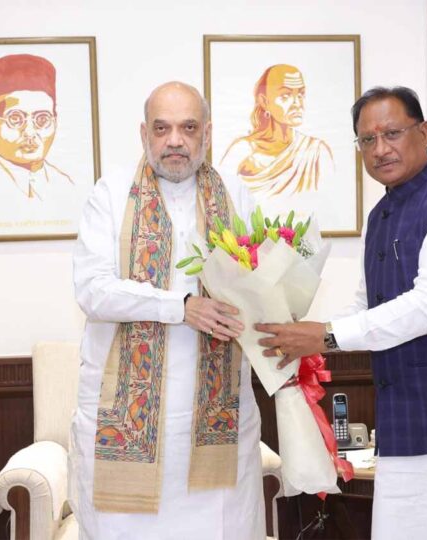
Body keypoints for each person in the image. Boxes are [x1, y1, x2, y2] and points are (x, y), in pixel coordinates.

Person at [255, 86, 427, 539]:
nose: (380, 149)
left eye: (392, 133)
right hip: (403, 430)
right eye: (367, 139)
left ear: (424, 133)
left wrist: (325, 335)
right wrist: (293, 338)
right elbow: (366, 304)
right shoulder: (380, 216)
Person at [70, 81, 265, 540]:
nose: (175, 140)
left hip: (217, 426)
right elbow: (92, 290)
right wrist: (181, 306)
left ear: (207, 133)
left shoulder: (235, 193)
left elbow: (258, 282)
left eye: (188, 128)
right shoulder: (111, 193)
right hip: (125, 426)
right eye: (162, 129)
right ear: (144, 134)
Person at [0, 54, 75, 236]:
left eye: (42, 119)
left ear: (55, 124)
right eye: (16, 119)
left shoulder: (67, 185)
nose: (30, 133)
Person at [220, 64, 333, 197]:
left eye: (301, 94)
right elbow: (218, 199)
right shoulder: (242, 150)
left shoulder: (317, 150)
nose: (297, 103)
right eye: (286, 96)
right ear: (264, 101)